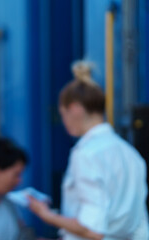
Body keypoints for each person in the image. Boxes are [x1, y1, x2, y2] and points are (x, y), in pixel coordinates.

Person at [29, 61, 149, 240]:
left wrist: (46, 215)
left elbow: (92, 229)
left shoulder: (85, 155)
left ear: (75, 109)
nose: (64, 122)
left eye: (63, 113)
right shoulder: (131, 154)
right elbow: (141, 226)